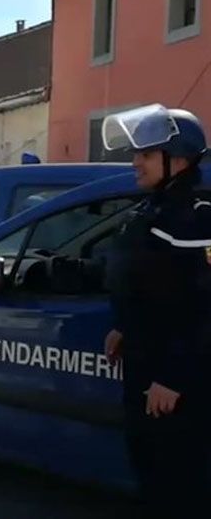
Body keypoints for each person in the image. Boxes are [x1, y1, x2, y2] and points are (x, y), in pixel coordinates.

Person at [100, 104, 210, 518]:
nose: (135, 162)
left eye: (146, 154)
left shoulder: (195, 220)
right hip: (148, 367)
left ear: (178, 159)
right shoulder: (158, 209)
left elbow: (201, 307)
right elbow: (149, 288)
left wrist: (174, 376)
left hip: (176, 384)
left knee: (177, 486)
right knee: (152, 477)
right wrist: (125, 327)